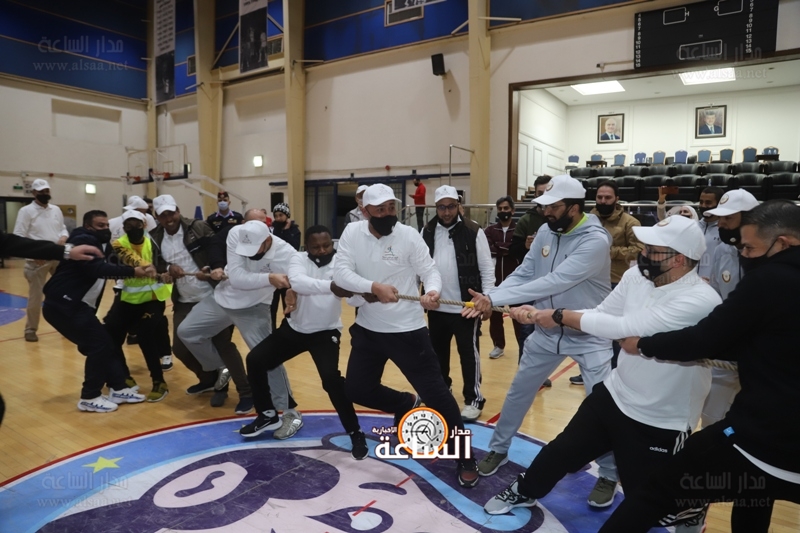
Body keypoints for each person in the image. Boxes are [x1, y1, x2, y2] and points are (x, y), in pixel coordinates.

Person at [483, 214, 719, 533]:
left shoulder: (700, 300)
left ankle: (691, 509)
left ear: (678, 259)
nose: (643, 254)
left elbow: (625, 327)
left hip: (661, 418)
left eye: (652, 250)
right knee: (561, 451)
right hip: (616, 393)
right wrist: (544, 315)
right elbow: (602, 313)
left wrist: (559, 315)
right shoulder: (636, 276)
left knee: (651, 502)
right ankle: (525, 490)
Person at [603, 200, 800, 533]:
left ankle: (690, 514)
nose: (744, 255)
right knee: (755, 493)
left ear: (782, 243)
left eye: (750, 248)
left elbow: (703, 340)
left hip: (764, 438)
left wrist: (644, 344)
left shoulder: (770, 278)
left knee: (654, 492)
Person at [463, 174, 619, 507]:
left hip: (589, 334)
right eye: (544, 206)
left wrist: (496, 299)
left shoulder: (595, 240)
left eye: (554, 207)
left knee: (602, 407)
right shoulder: (547, 231)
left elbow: (554, 281)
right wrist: (492, 295)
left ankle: (608, 473)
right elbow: (526, 272)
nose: (546, 212)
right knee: (519, 391)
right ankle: (498, 449)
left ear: (574, 208)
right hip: (546, 332)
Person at [333, 183, 480, 488]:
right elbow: (341, 274)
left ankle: (465, 456)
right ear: (365, 211)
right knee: (357, 389)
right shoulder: (352, 233)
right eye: (380, 210)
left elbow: (430, 270)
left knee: (438, 395)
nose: (388, 214)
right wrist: (374, 287)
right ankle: (406, 403)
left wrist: (433, 291)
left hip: (408, 331)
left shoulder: (408, 235)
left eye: (391, 208)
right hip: (369, 329)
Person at [241, 225, 369, 459]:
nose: (322, 250)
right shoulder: (297, 259)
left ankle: (355, 432)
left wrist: (358, 293)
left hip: (325, 333)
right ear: (306, 247)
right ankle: (267, 414)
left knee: (331, 381)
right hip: (295, 330)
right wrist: (333, 286)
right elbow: (299, 283)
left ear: (332, 244)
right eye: (315, 247)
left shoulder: (341, 264)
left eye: (326, 245)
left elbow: (353, 299)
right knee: (255, 360)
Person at [177, 218, 302, 434]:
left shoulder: (288, 255)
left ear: (268, 240)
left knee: (268, 358)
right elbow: (236, 278)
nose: (249, 254)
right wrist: (270, 278)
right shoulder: (237, 233)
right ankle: (222, 366)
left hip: (254, 308)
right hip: (223, 298)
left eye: (255, 249)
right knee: (187, 332)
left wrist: (292, 291)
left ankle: (290, 411)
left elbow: (301, 281)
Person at [42, 210, 149, 412]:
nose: (105, 229)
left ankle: (118, 388)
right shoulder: (84, 240)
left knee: (105, 343)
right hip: (63, 306)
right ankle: (89, 396)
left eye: (107, 225)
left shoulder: (101, 243)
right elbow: (98, 269)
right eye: (101, 226)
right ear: (88, 226)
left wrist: (150, 268)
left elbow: (116, 261)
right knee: (99, 345)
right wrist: (133, 272)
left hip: (77, 305)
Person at [150, 195, 245, 408]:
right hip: (184, 299)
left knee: (222, 345)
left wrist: (210, 269)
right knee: (181, 348)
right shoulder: (155, 236)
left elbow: (217, 251)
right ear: (157, 217)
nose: (169, 219)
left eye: (171, 213)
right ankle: (209, 379)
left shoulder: (198, 227)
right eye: (163, 215)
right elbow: (155, 262)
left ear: (178, 211)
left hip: (212, 295)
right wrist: (168, 269)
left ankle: (243, 390)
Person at [421, 185, 495, 421]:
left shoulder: (474, 230)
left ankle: (474, 399)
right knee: (437, 355)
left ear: (458, 206)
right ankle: (442, 392)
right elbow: (419, 267)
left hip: (467, 307)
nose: (446, 212)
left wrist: (489, 299)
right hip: (437, 307)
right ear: (436, 208)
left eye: (451, 206)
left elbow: (487, 269)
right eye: (441, 207)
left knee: (469, 355)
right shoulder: (426, 231)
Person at [569, 180, 643, 384]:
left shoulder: (630, 222)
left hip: (615, 283)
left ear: (617, 199)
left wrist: (609, 251)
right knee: (589, 330)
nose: (603, 201)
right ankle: (588, 370)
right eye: (599, 197)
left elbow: (639, 249)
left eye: (607, 197)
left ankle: (616, 373)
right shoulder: (585, 220)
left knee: (614, 331)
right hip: (587, 281)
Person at [701, 190, 759, 429]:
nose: (721, 224)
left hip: (760, 353)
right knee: (712, 417)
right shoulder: (721, 250)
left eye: (728, 218)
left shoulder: (769, 256)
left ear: (749, 218)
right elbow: (716, 295)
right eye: (720, 218)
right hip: (726, 350)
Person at [104, 210, 172, 402]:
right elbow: (118, 265)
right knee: (110, 335)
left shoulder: (154, 241)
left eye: (137, 225)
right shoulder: (118, 245)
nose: (134, 229)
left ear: (144, 224)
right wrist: (143, 268)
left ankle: (159, 382)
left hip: (153, 298)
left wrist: (165, 272)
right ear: (124, 228)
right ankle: (124, 376)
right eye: (129, 226)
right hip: (129, 299)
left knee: (145, 336)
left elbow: (163, 263)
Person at [13, 178, 69, 342]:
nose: (45, 194)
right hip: (37, 260)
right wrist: (33, 255)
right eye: (41, 192)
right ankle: (30, 329)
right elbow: (18, 236)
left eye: (47, 191)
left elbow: (62, 228)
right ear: (34, 193)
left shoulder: (56, 209)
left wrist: (63, 237)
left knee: (64, 293)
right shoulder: (26, 211)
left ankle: (66, 326)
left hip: (56, 257)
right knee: (36, 297)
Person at [484, 196, 523, 360]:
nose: (503, 211)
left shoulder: (519, 229)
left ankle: (523, 347)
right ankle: (498, 345)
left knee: (518, 315)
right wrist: (507, 248)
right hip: (495, 281)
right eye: (500, 209)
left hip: (516, 282)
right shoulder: (490, 230)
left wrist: (503, 248)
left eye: (506, 208)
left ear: (512, 211)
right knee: (495, 315)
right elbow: (489, 249)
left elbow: (517, 250)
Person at [270, 202, 301, 331]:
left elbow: (294, 247)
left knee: (288, 304)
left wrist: (287, 231)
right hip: (273, 273)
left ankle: (289, 329)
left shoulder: (295, 231)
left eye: (281, 215)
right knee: (271, 306)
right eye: (276, 215)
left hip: (288, 274)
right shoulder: (271, 230)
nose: (278, 218)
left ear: (287, 215)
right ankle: (271, 330)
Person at [509, 175, 550, 262]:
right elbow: (513, 251)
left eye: (547, 193)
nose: (543, 197)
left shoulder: (560, 218)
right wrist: (525, 245)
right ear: (535, 195)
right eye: (540, 193)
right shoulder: (525, 220)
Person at [697, 187, 723, 280]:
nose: (703, 206)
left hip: (713, 283)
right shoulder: (693, 227)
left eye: (708, 203)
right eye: (701, 202)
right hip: (691, 283)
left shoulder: (724, 229)